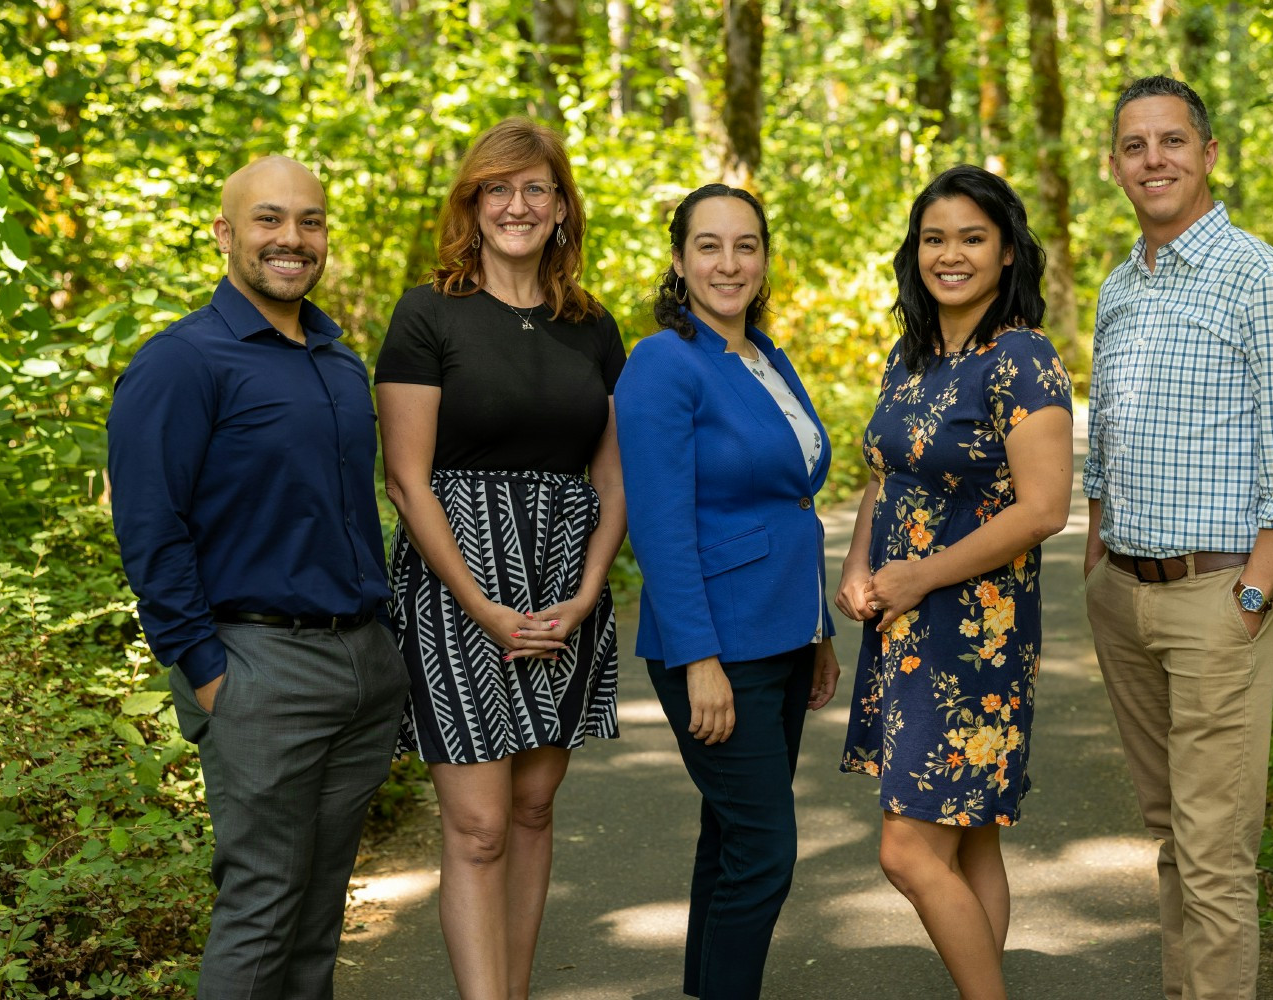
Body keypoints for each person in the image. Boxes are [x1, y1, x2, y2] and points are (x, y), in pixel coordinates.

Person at [108, 155, 409, 1000]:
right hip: (257, 669)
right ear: (225, 233)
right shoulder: (183, 361)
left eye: (310, 222)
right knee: (261, 906)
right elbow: (150, 529)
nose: (292, 238)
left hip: (360, 666)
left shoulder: (337, 359)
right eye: (269, 219)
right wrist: (204, 671)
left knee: (318, 917)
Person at [1084, 76, 1273, 1000]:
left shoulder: (1263, 282)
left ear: (1208, 153)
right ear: (1114, 164)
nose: (1153, 160)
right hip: (1124, 597)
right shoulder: (1121, 285)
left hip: (1218, 599)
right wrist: (1095, 567)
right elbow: (1107, 442)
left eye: (1171, 142)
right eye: (1134, 145)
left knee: (1217, 854)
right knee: (1171, 836)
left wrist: (1249, 599)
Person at [374, 117, 624, 1000]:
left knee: (531, 808)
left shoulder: (592, 325)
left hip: (564, 590)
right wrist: (482, 605)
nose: (517, 205)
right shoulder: (427, 311)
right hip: (455, 593)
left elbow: (613, 476)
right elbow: (407, 481)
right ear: (472, 205)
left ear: (561, 207)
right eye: (498, 189)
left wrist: (589, 592)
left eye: (536, 189)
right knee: (478, 825)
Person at [836, 165, 1074, 998]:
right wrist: (861, 564)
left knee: (907, 850)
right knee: (971, 840)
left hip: (977, 635)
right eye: (935, 237)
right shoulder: (912, 355)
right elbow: (887, 474)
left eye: (972, 237)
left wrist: (917, 577)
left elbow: (1044, 508)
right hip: (906, 624)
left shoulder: (1021, 358)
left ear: (1007, 252)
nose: (951, 254)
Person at [614, 184, 841, 1000]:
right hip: (717, 641)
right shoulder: (662, 363)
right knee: (766, 853)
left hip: (782, 634)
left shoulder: (763, 356)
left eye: (746, 245)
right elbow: (661, 523)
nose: (728, 263)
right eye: (708, 246)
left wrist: (818, 630)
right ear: (678, 261)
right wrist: (699, 656)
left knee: (732, 837)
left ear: (765, 259)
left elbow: (794, 503)